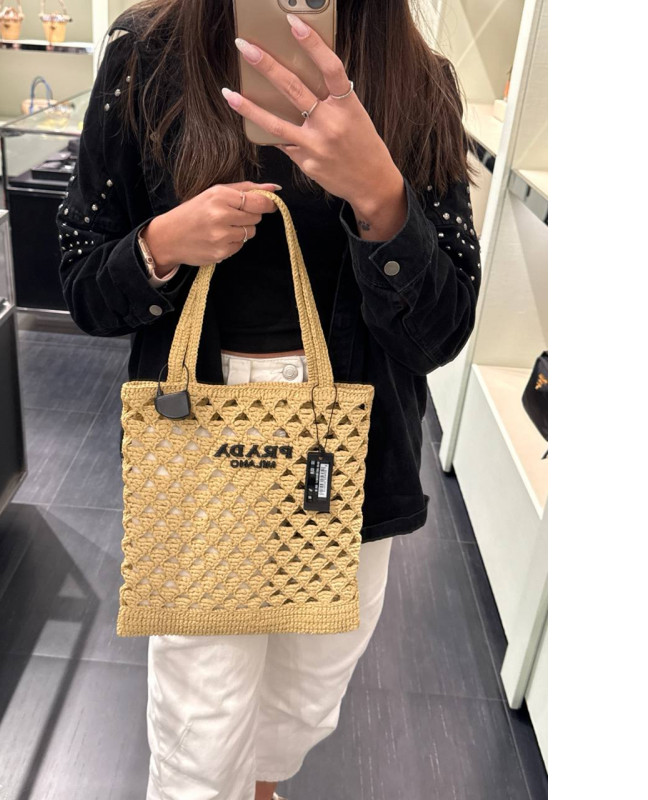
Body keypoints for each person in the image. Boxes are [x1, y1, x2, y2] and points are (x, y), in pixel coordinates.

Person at [56, 2, 481, 798]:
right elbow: (82, 281)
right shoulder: (147, 58)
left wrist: (382, 198)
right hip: (196, 452)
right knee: (200, 727)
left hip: (351, 464)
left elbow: (440, 333)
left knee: (303, 702)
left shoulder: (417, 83)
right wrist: (161, 245)